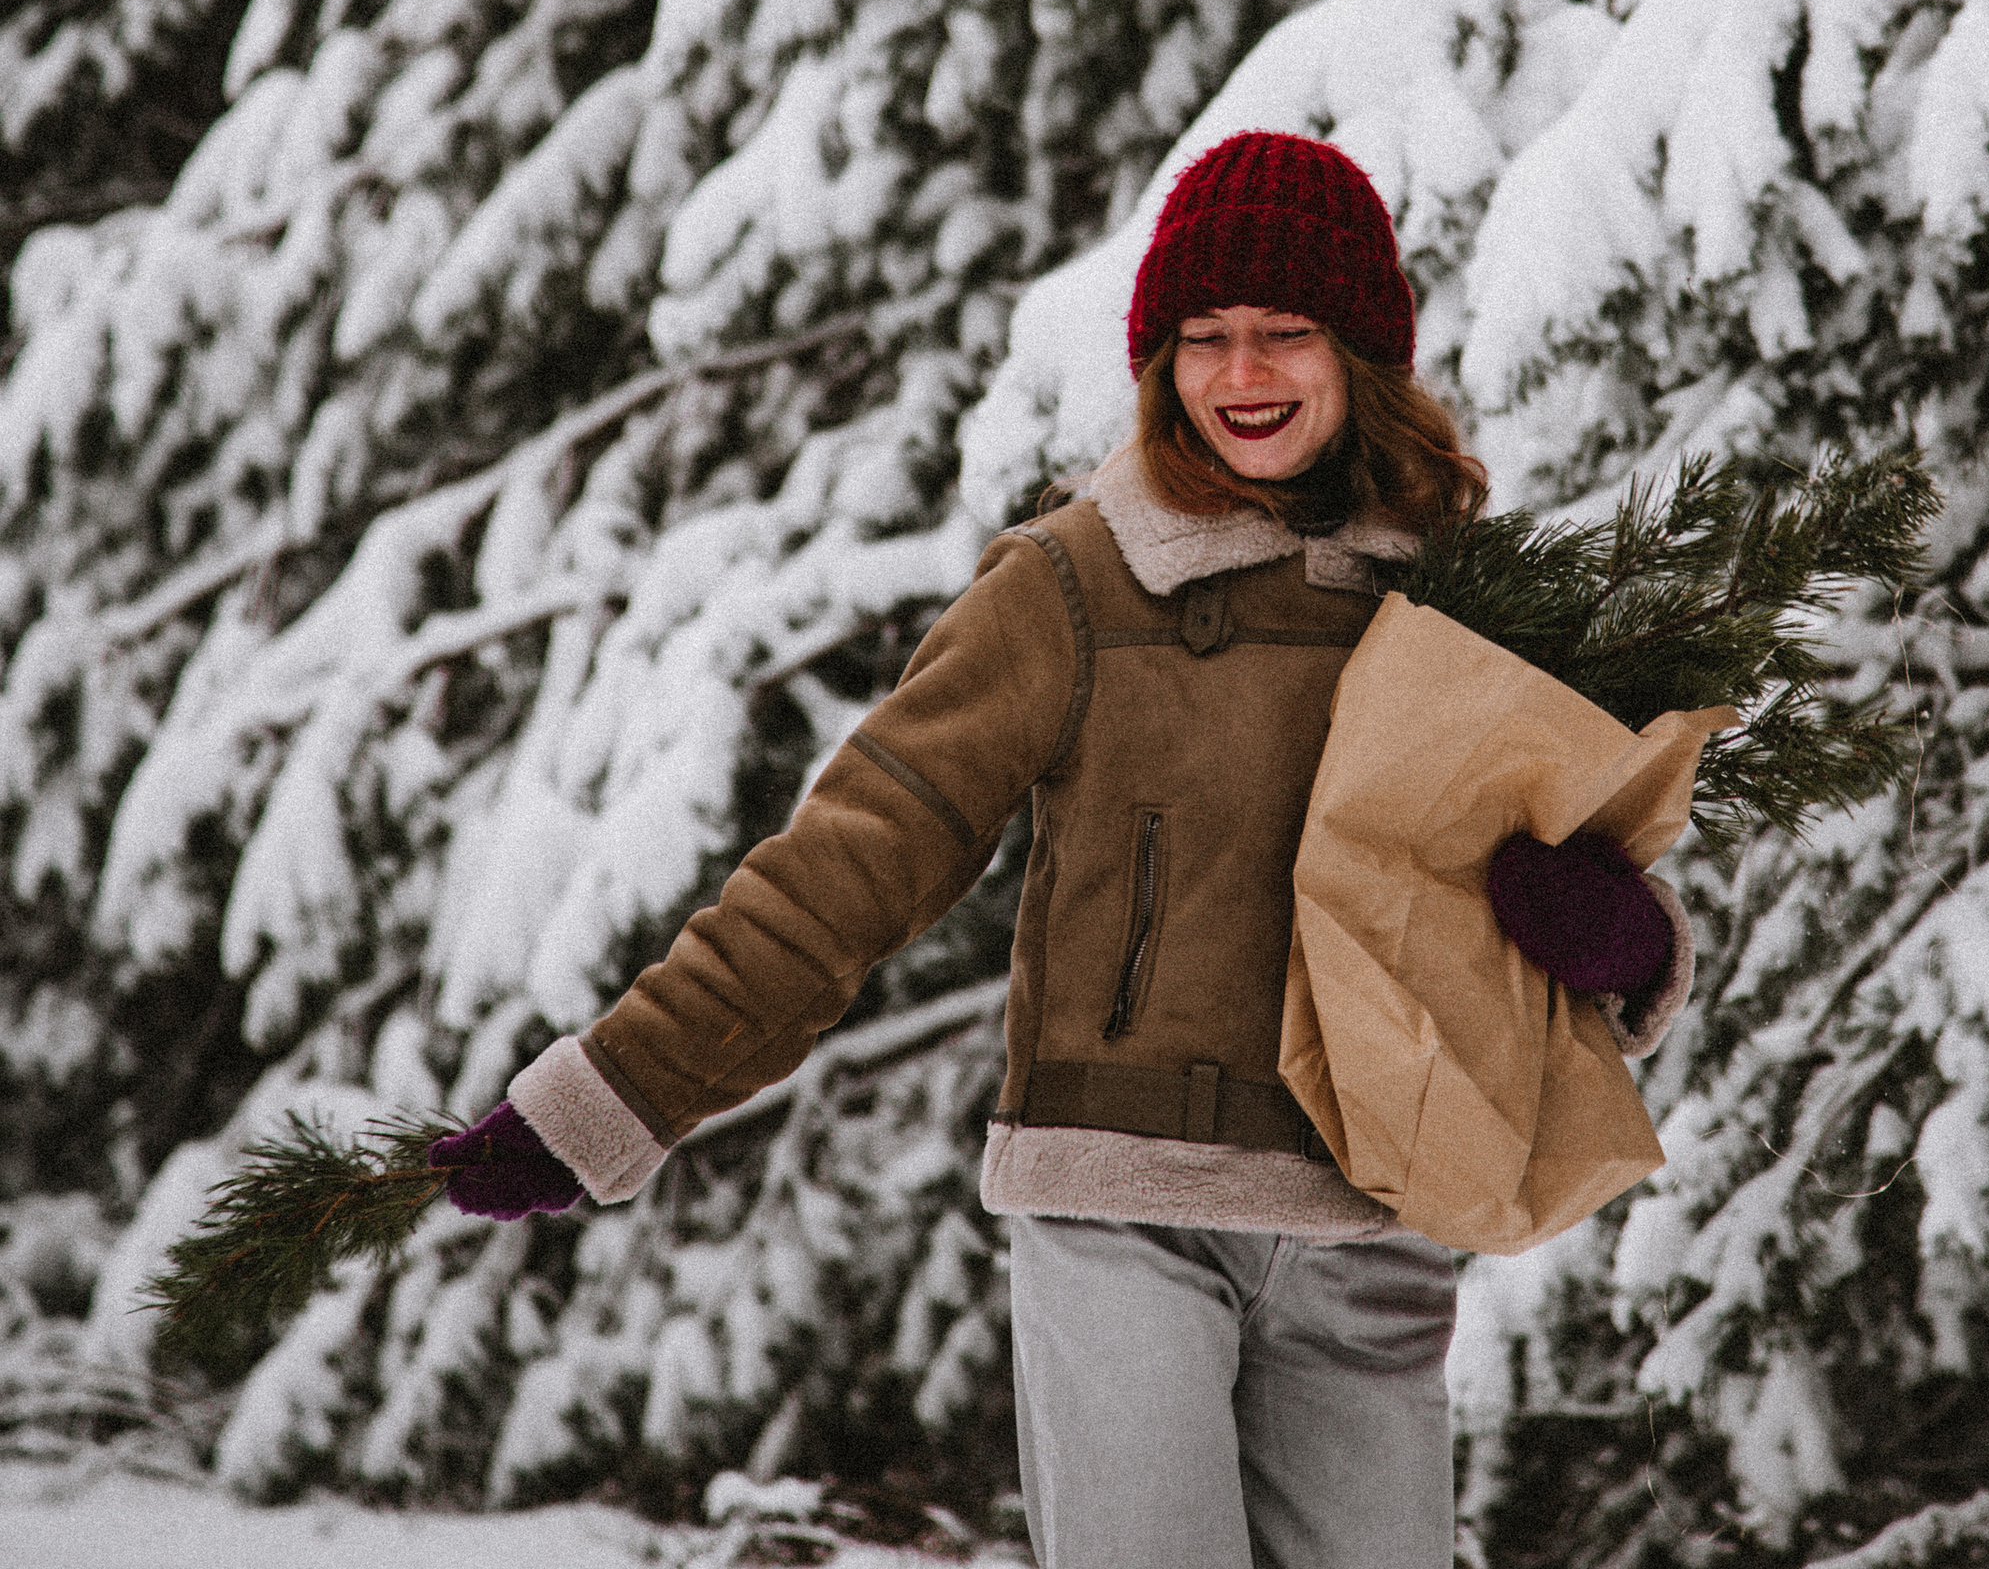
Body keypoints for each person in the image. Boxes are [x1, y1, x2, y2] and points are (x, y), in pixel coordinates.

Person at [433, 130, 1695, 1569]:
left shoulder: (1468, 599)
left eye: (1286, 332)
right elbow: (847, 867)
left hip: (1374, 1221)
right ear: (1160, 361)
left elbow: (1602, 852)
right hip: (1123, 1210)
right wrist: (612, 1099)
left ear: (1363, 353)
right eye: (1204, 338)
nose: (1243, 374)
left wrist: (1627, 939)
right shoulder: (1072, 589)